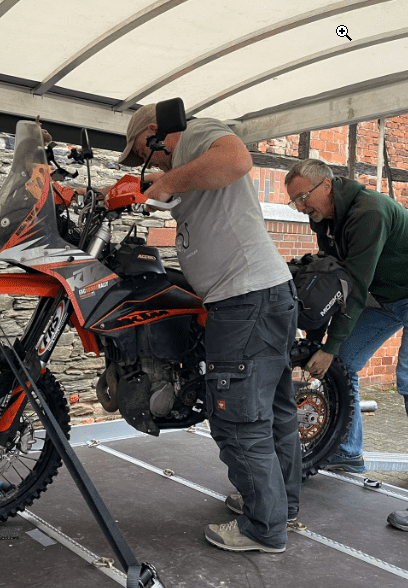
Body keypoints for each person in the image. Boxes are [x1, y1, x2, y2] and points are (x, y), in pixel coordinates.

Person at [118, 105, 301, 553]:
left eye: (141, 150)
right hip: (263, 295)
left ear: (155, 132)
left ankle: (264, 528)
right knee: (274, 412)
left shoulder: (195, 134)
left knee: (238, 419)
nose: (145, 161)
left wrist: (164, 183)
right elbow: (156, 184)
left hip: (245, 299)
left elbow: (237, 159)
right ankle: (280, 506)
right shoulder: (187, 165)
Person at [284, 158, 408, 532]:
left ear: (325, 186)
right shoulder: (324, 219)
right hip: (387, 296)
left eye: (302, 197)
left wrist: (329, 346)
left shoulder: (369, 212)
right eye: (294, 201)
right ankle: (346, 452)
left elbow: (355, 287)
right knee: (343, 364)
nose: (300, 207)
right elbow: (332, 284)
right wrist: (316, 344)